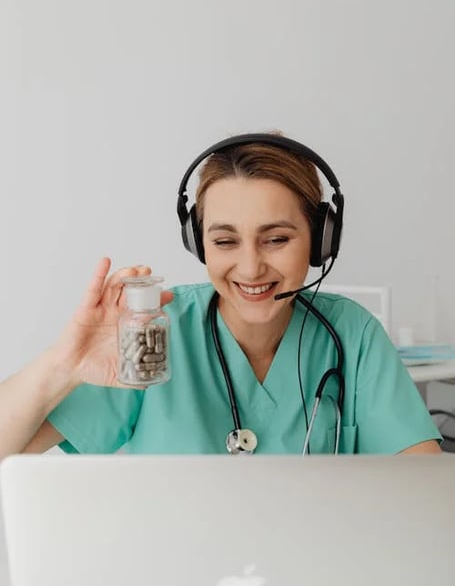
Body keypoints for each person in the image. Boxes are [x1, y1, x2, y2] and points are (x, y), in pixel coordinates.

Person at [0, 133, 441, 459]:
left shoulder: (353, 335)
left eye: (276, 239)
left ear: (320, 241)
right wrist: (64, 364)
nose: (250, 268)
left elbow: (424, 499)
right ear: (198, 243)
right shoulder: (150, 335)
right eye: (226, 242)